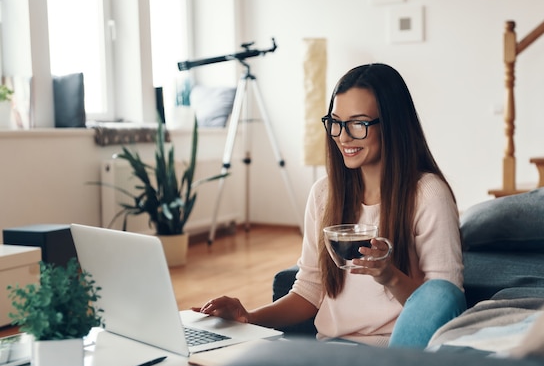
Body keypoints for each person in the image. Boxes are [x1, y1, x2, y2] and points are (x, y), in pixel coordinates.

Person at [193, 63, 466, 348]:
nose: (343, 136)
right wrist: (248, 318)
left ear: (392, 125)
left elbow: (442, 304)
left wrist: (389, 276)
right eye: (336, 122)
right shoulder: (324, 194)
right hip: (329, 353)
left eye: (358, 124)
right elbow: (309, 291)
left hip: (394, 355)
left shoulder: (427, 194)